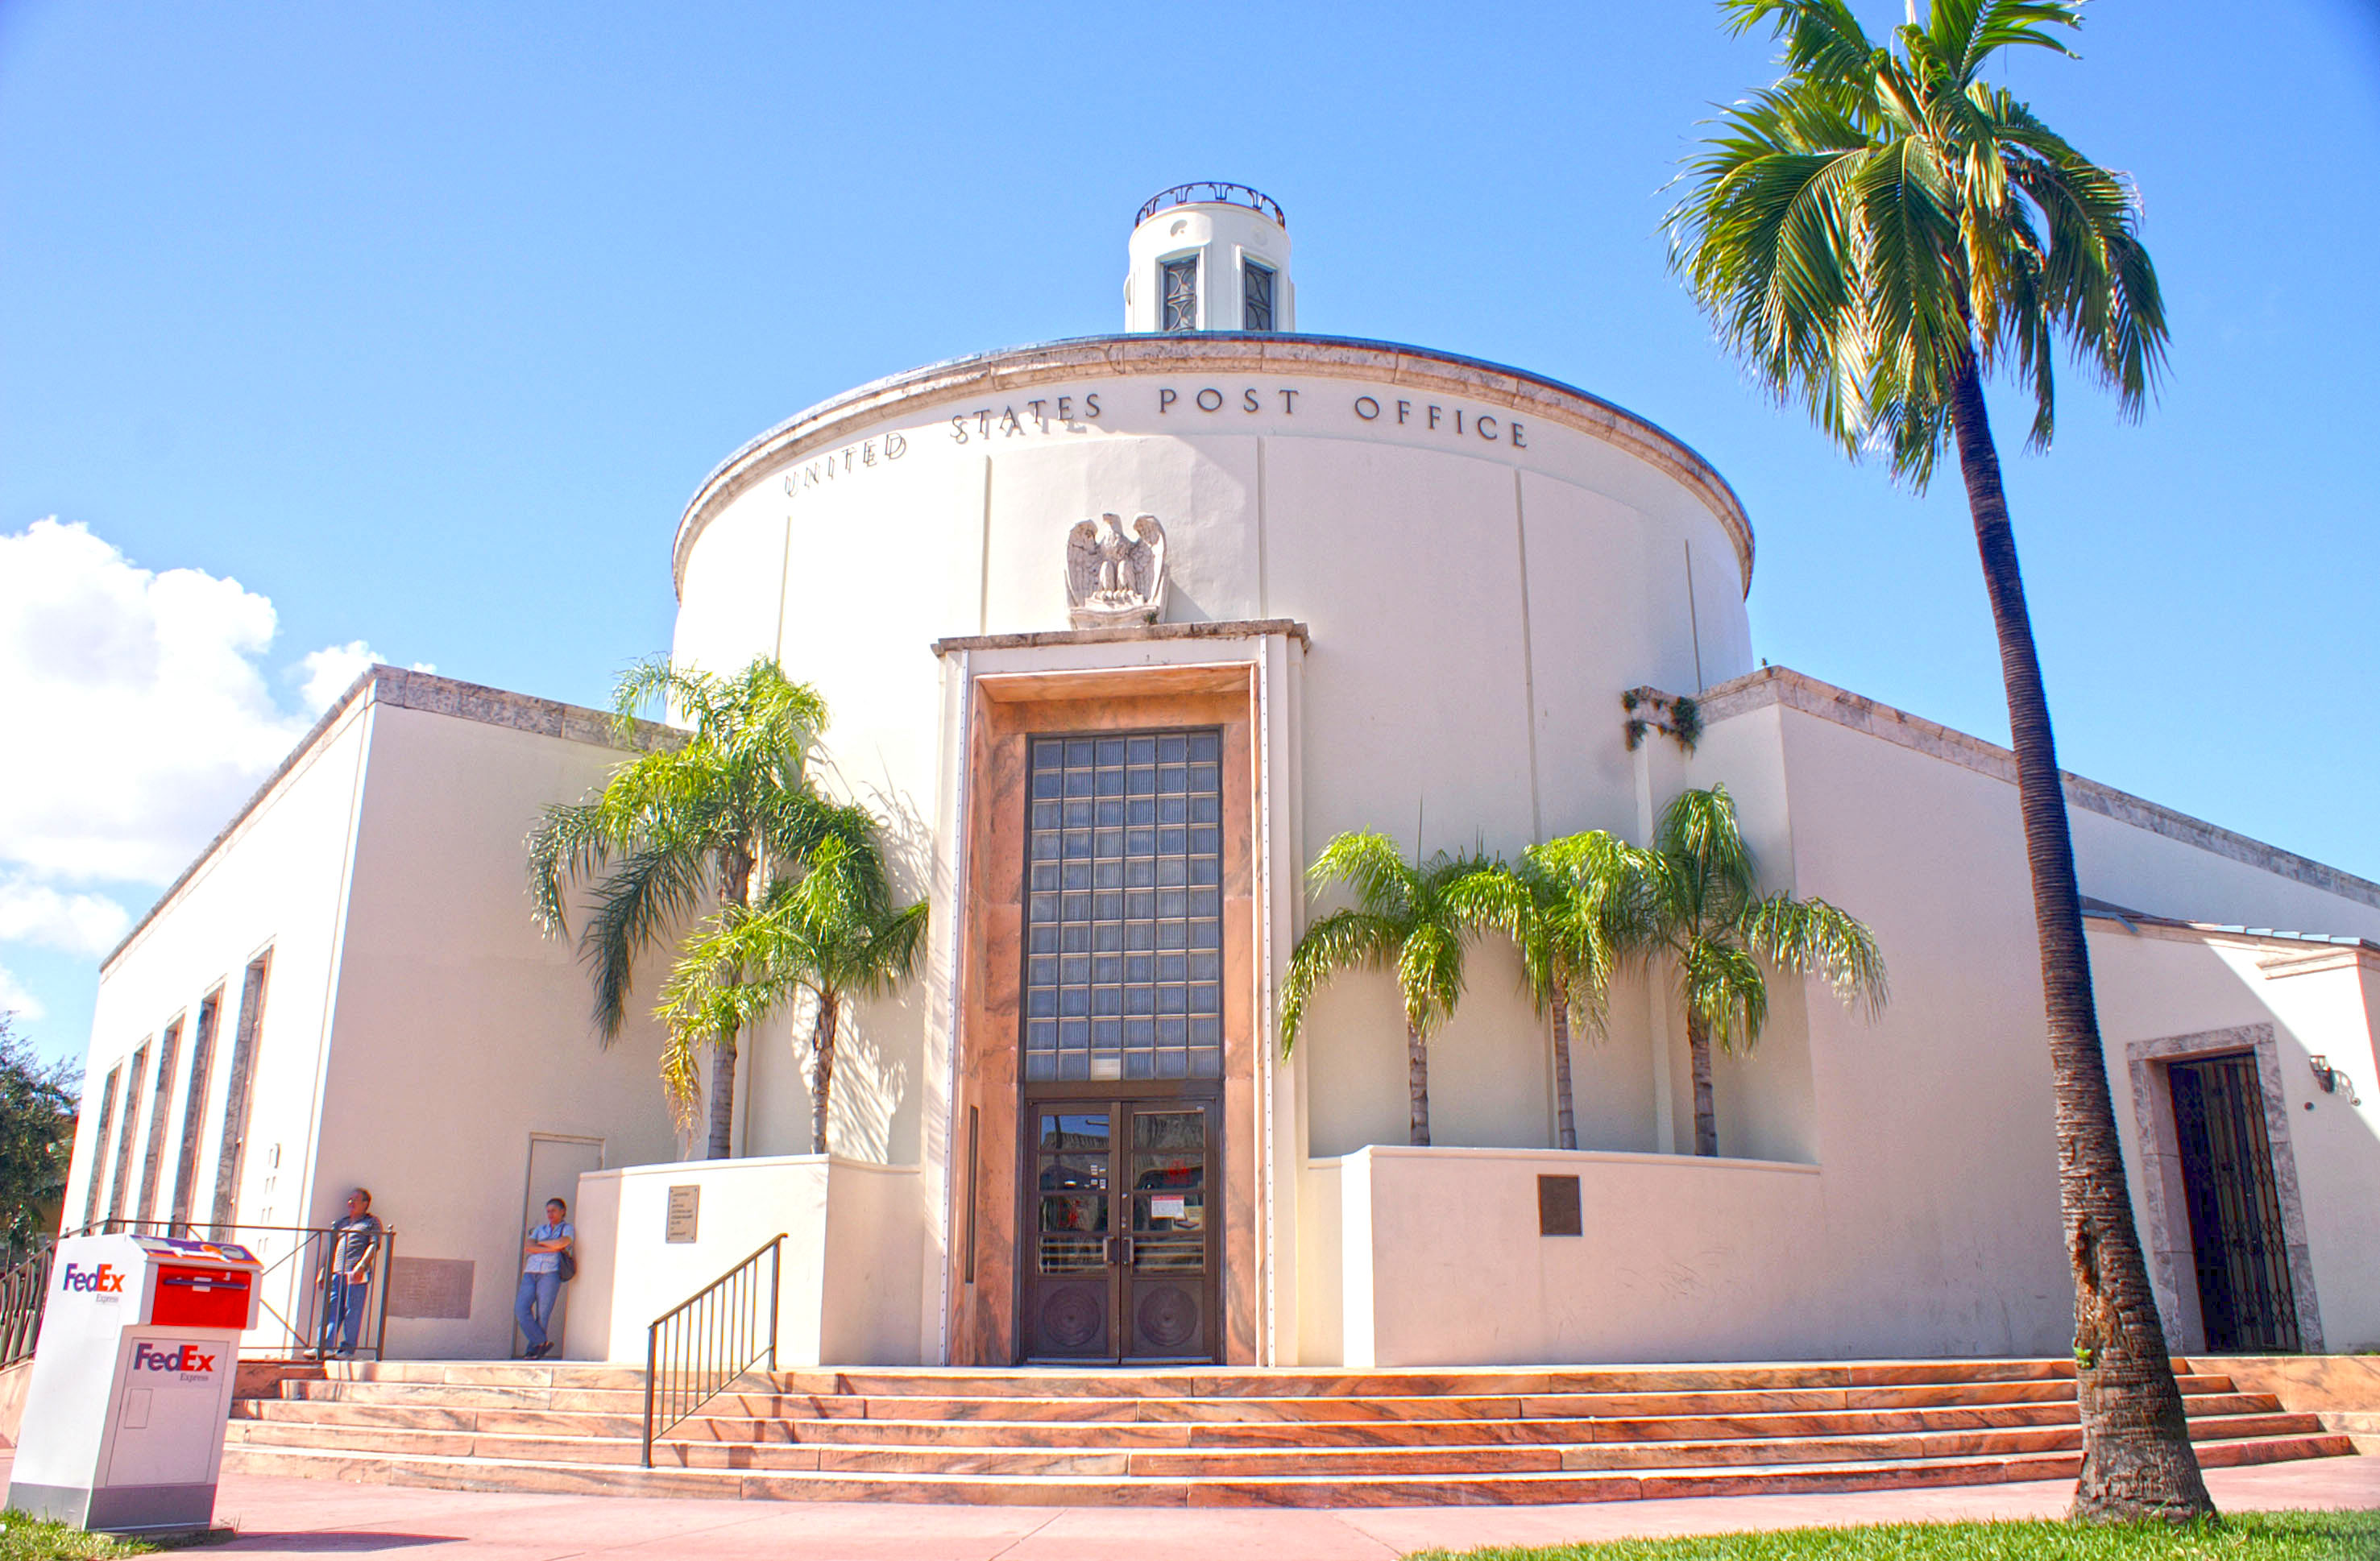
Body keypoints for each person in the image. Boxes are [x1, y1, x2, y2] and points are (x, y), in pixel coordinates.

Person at [316, 1187, 383, 1359]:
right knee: (331, 1309)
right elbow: (331, 1248)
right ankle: (324, 1346)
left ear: (365, 1204)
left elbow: (374, 1244)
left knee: (353, 1310)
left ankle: (347, 1349)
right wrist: (324, 1271)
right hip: (337, 1272)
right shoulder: (342, 1223)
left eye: (355, 1200)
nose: (350, 1203)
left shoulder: (371, 1222)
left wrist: (361, 1266)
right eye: (350, 1200)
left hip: (356, 1273)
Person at [516, 1196, 574, 1360]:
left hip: (551, 1272)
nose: (550, 1214)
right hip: (531, 1271)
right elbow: (528, 1246)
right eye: (548, 1211)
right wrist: (552, 1246)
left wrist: (541, 1245)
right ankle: (541, 1341)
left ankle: (533, 1349)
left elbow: (563, 1242)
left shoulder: (567, 1228)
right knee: (521, 1308)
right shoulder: (540, 1229)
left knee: (543, 1312)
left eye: (554, 1211)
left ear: (562, 1211)